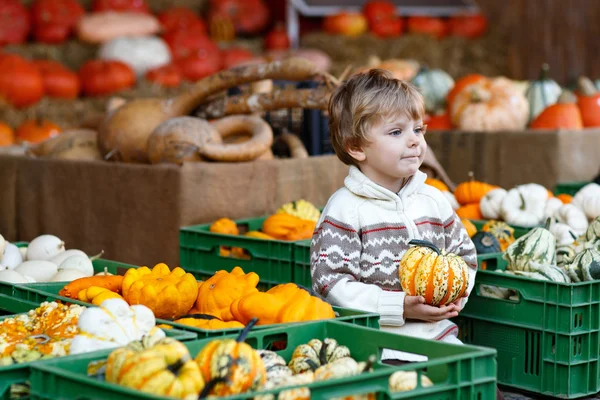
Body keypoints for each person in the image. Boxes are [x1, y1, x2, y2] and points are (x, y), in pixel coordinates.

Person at [311, 68, 478, 360]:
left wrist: (453, 297)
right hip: (376, 345)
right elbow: (330, 283)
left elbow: (465, 257)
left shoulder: (433, 200)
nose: (414, 141)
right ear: (356, 147)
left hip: (437, 337)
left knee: (483, 386)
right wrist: (399, 306)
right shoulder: (345, 209)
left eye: (418, 129)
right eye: (397, 132)